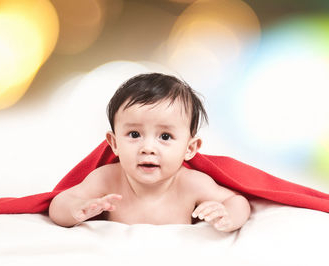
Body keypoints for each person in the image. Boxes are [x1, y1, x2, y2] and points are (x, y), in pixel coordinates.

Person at [49, 73, 250, 232]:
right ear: (114, 143)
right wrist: (77, 209)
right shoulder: (107, 179)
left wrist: (228, 215)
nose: (148, 148)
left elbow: (236, 200)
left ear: (190, 148)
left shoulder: (191, 183)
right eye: (134, 134)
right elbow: (59, 204)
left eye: (165, 136)